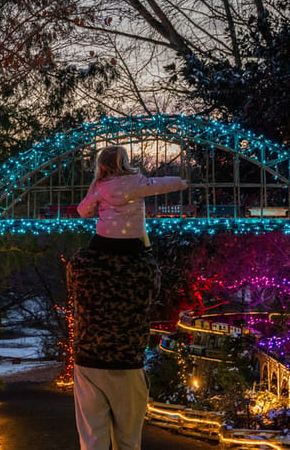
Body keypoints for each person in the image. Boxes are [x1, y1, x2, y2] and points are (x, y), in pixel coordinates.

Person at [67, 145, 188, 450]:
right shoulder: (145, 269)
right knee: (128, 443)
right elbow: (164, 184)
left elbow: (83, 209)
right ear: (125, 162)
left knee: (92, 444)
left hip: (88, 362)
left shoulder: (80, 265)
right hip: (127, 365)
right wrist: (184, 182)